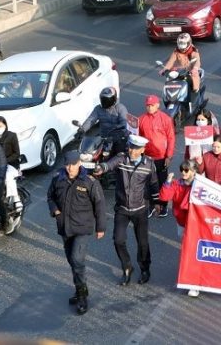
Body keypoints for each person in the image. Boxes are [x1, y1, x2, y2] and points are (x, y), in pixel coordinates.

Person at [95, 134, 160, 286]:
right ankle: (127, 267)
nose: (131, 150)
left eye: (135, 148)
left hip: (140, 209)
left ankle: (145, 269)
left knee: (142, 242)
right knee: (118, 240)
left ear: (142, 150)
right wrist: (101, 168)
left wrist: (157, 202)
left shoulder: (149, 164)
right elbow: (109, 165)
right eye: (130, 146)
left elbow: (154, 184)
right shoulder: (122, 159)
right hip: (122, 208)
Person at [47, 150, 106, 315]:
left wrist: (101, 227)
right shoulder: (58, 177)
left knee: (77, 260)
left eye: (72, 164)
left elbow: (100, 205)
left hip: (82, 228)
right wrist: (55, 211)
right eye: (67, 164)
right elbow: (50, 196)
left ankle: (82, 296)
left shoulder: (89, 181)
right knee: (72, 262)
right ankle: (80, 289)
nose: (69, 168)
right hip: (65, 228)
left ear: (79, 163)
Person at [159, 160, 198, 296]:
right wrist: (168, 182)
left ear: (194, 171)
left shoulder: (199, 185)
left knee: (193, 252)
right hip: (181, 222)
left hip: (195, 224)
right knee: (186, 251)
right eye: (182, 170)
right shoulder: (176, 183)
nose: (183, 173)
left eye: (186, 170)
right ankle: (186, 279)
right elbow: (164, 197)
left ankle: (194, 283)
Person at [138, 94, 175, 218]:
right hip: (147, 158)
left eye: (152, 105)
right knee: (148, 183)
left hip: (162, 158)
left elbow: (171, 138)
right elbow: (137, 137)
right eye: (147, 105)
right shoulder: (141, 119)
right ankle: (152, 206)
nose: (149, 107)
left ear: (158, 105)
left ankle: (164, 206)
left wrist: (169, 156)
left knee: (163, 183)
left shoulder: (165, 119)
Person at [78, 86, 129, 155]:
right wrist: (82, 129)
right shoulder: (98, 109)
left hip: (117, 139)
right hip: (103, 138)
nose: (104, 102)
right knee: (89, 153)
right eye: (103, 100)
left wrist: (116, 133)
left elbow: (124, 123)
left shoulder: (120, 108)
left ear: (113, 99)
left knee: (119, 155)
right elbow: (91, 120)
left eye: (106, 100)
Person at [0, 116, 22, 213]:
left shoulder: (12, 135)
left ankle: (16, 199)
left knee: (8, 176)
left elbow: (17, 153)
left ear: (5, 125)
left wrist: (4, 161)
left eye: (0, 126)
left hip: (10, 163)